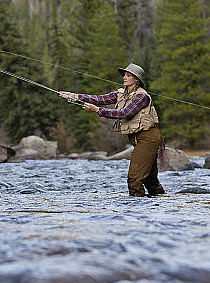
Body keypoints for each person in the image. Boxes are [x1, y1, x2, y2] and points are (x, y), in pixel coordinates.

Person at [60, 63, 166, 197]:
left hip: (148, 138)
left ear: (136, 80)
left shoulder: (141, 97)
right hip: (138, 139)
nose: (124, 77)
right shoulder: (121, 94)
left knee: (134, 179)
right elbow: (99, 99)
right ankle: (162, 202)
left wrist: (97, 110)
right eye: (124, 75)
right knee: (150, 179)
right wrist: (75, 96)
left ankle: (137, 207)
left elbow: (124, 113)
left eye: (128, 75)